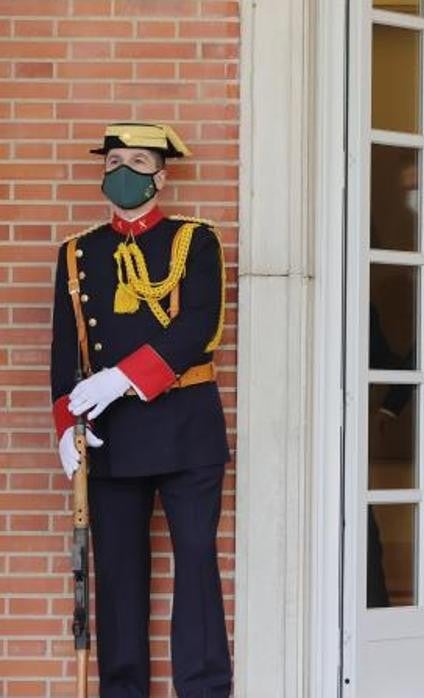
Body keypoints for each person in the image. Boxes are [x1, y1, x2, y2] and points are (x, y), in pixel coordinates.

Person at [50, 123, 232, 696]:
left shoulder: (195, 241)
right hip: (112, 436)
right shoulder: (78, 253)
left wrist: (122, 378)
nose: (121, 172)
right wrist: (65, 425)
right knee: (119, 576)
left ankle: (203, 689)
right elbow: (65, 348)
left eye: (135, 160)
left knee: (197, 565)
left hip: (186, 428)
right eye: (112, 163)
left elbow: (198, 327)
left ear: (162, 174)